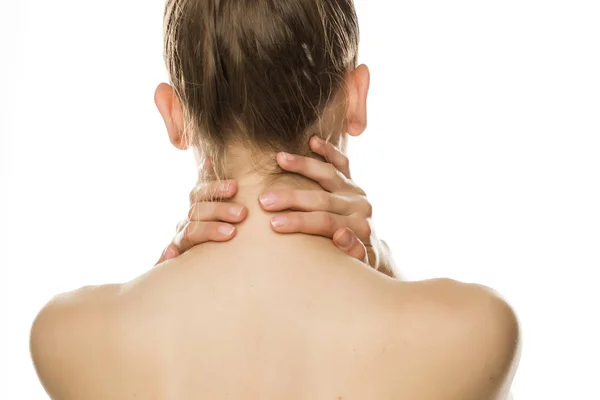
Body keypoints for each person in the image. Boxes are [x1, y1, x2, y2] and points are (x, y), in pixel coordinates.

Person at [30, 0, 521, 399]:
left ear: (173, 115)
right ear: (356, 97)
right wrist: (380, 263)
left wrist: (161, 275)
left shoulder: (63, 336)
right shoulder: (477, 329)